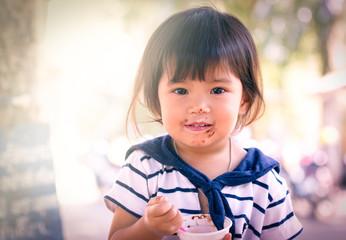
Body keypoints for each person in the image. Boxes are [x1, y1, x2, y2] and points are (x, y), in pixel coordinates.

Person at [104, 6, 303, 240]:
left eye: (217, 89)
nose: (199, 106)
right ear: (156, 100)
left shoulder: (265, 181)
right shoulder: (144, 167)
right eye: (180, 90)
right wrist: (149, 228)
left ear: (244, 100)